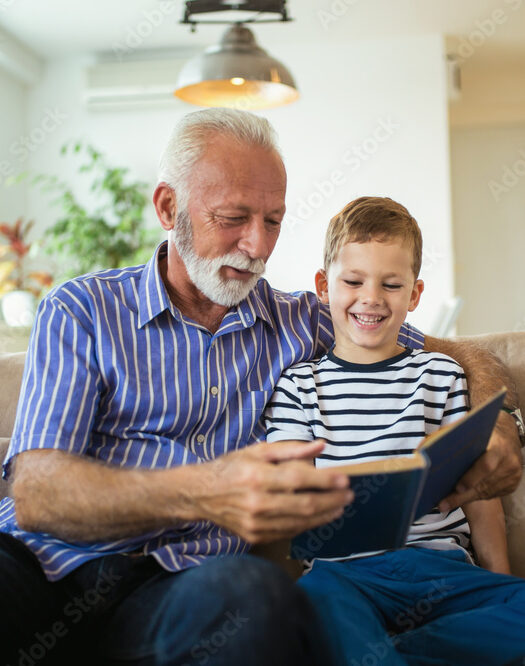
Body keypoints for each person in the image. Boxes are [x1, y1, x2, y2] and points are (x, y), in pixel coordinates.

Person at [0, 110, 521, 665]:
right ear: (168, 208)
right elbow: (36, 492)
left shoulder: (300, 319)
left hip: (185, 587)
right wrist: (203, 490)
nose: (256, 245)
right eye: (233, 217)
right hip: (44, 566)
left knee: (259, 599)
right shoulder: (83, 309)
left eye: (273, 220)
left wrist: (505, 423)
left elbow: (458, 352)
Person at [264, 195, 525, 665]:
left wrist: (500, 580)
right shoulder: (299, 384)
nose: (371, 298)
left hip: (440, 568)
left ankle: (393, 653)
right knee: (319, 604)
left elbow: (479, 491)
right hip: (343, 574)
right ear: (324, 285)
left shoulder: (441, 374)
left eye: (391, 284)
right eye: (353, 281)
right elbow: (285, 488)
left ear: (415, 294)